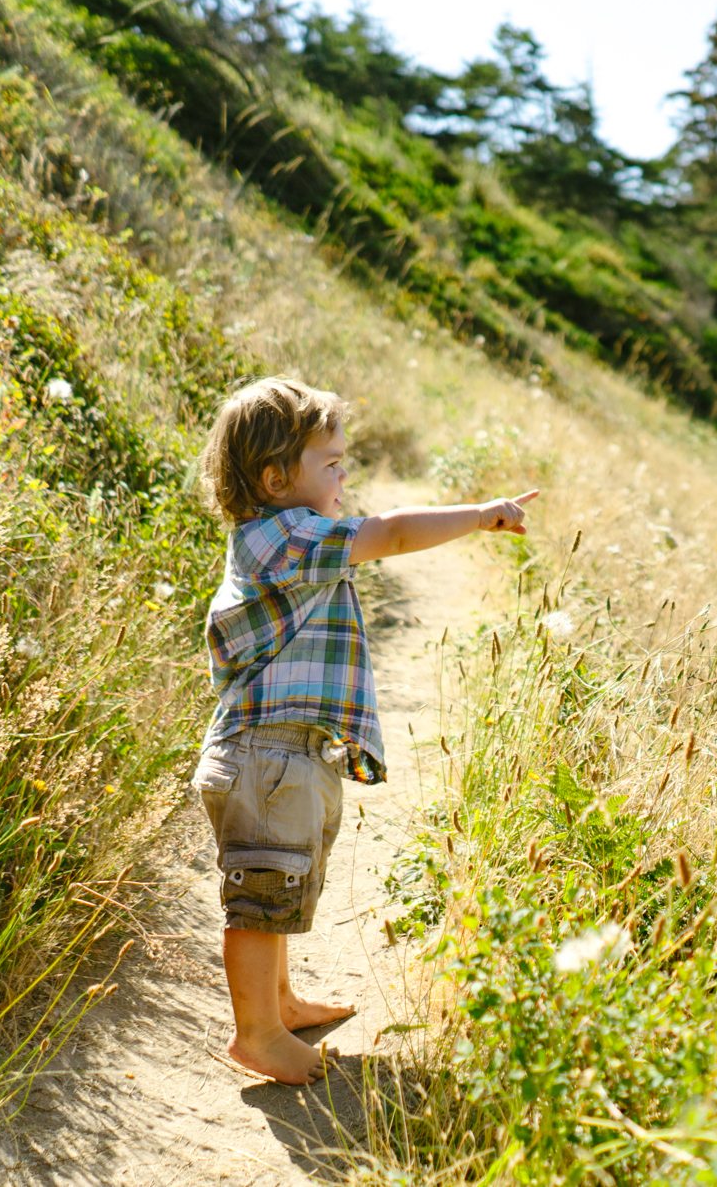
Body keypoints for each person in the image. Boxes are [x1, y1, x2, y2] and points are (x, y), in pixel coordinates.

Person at [191, 376, 536, 1083]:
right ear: (275, 477)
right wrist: (480, 516)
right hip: (267, 755)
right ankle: (255, 1032)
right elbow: (394, 532)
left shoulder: (289, 535)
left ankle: (279, 1003)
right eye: (333, 462)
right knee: (260, 899)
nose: (345, 473)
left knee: (281, 884)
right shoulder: (283, 538)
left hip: (285, 753)